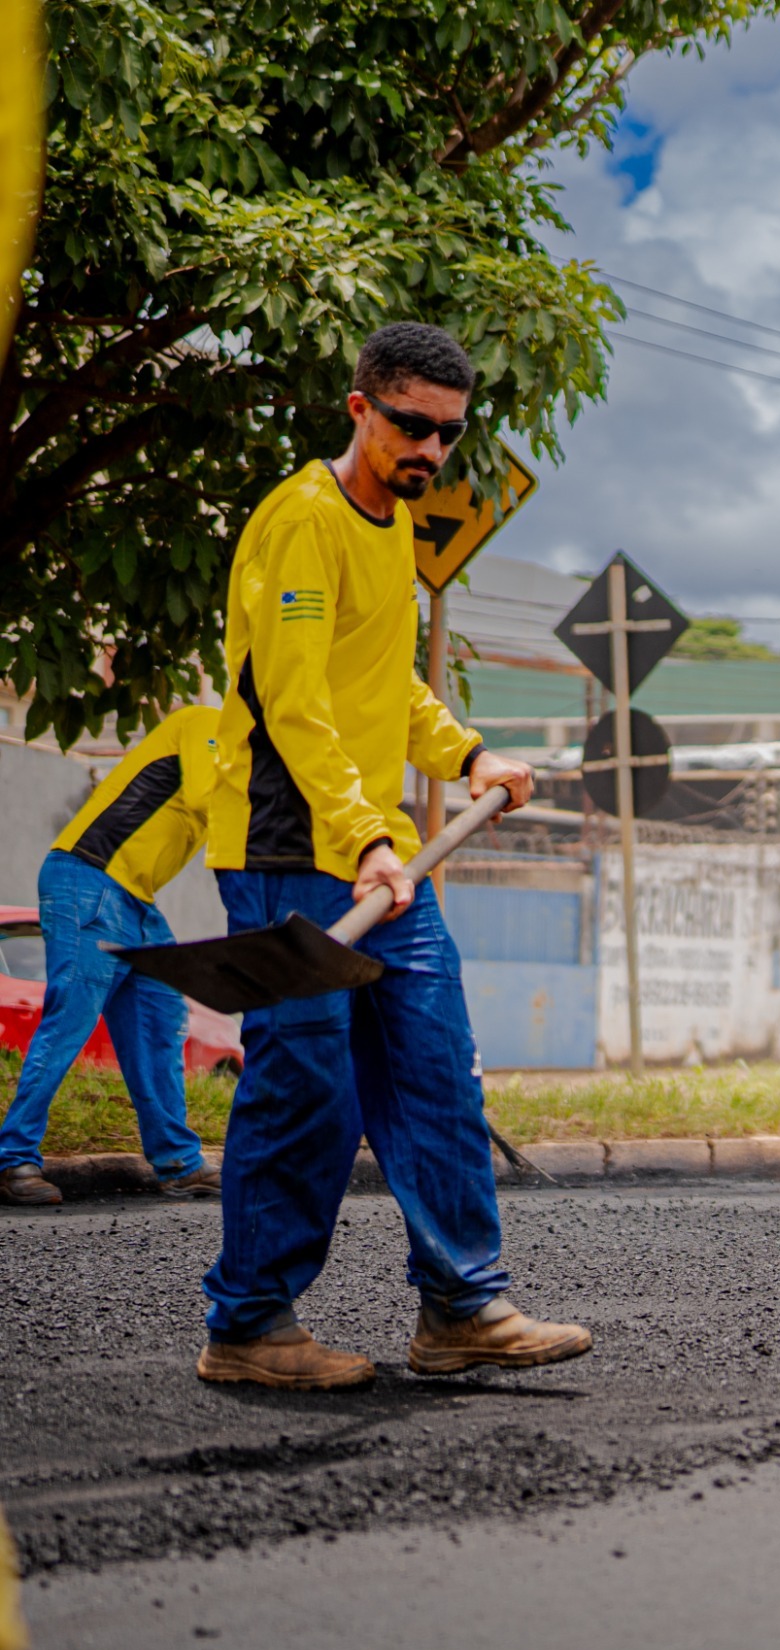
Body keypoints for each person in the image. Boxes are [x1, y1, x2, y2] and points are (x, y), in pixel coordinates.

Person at [194, 321, 589, 1390]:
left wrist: (466, 750)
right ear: (360, 406)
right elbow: (294, 703)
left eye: (447, 434)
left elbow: (384, 685)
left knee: (433, 1067)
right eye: (410, 424)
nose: (427, 448)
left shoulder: (390, 526)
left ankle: (462, 1306)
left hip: (380, 857)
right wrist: (362, 831)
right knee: (306, 1084)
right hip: (289, 848)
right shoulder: (304, 521)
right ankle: (250, 1325)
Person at [0, 707, 223, 1206]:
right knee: (71, 1020)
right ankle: (13, 1158)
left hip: (137, 902)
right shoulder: (210, 724)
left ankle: (178, 1162)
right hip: (89, 877)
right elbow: (209, 797)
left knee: (161, 1020)